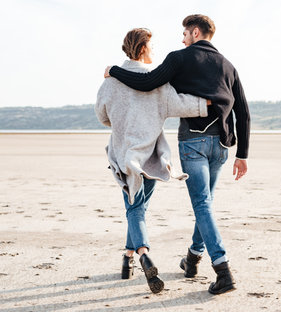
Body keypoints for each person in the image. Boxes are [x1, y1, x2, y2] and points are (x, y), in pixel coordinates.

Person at [105, 15, 250, 295]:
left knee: (202, 205)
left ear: (195, 32)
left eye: (184, 33)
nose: (182, 39)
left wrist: (114, 70)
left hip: (193, 142)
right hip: (221, 145)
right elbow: (242, 111)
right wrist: (242, 154)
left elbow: (148, 82)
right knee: (205, 203)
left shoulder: (179, 58)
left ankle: (223, 269)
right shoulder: (228, 66)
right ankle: (193, 258)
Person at [95, 28, 210, 294]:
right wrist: (210, 103)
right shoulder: (158, 82)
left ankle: (140, 255)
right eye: (152, 46)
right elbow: (181, 105)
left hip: (124, 153)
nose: (154, 51)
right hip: (151, 156)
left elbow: (102, 116)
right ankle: (131, 257)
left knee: (135, 208)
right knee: (139, 207)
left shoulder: (110, 81)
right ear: (144, 48)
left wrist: (122, 121)